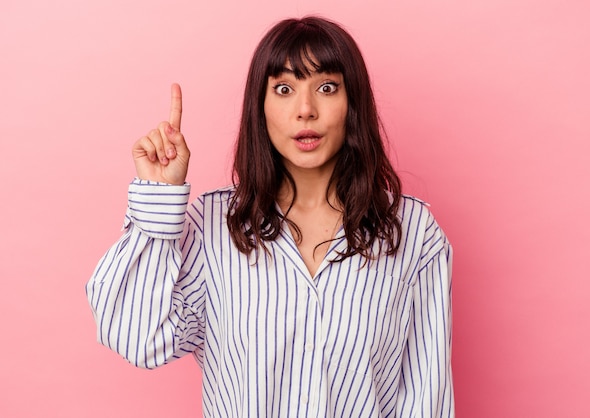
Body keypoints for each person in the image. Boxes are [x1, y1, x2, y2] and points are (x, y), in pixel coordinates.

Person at [86, 16, 454, 417]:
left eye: (327, 87)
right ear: (259, 108)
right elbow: (136, 337)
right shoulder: (212, 227)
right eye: (283, 88)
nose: (305, 110)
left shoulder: (413, 232)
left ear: (353, 103)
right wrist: (160, 200)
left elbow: (426, 399)